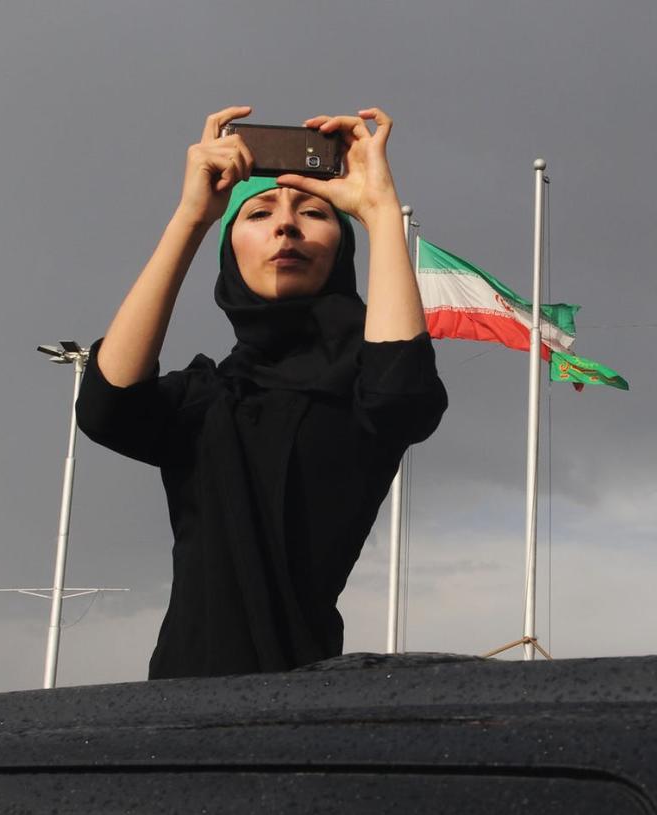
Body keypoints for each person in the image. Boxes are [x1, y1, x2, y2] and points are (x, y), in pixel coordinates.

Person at [76, 106, 447, 679]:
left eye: (315, 211)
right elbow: (107, 405)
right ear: (230, 253)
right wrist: (192, 218)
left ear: (342, 253)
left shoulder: (360, 393)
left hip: (301, 704)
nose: (285, 226)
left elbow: (403, 394)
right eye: (258, 213)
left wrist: (378, 211)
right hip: (177, 711)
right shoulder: (206, 398)